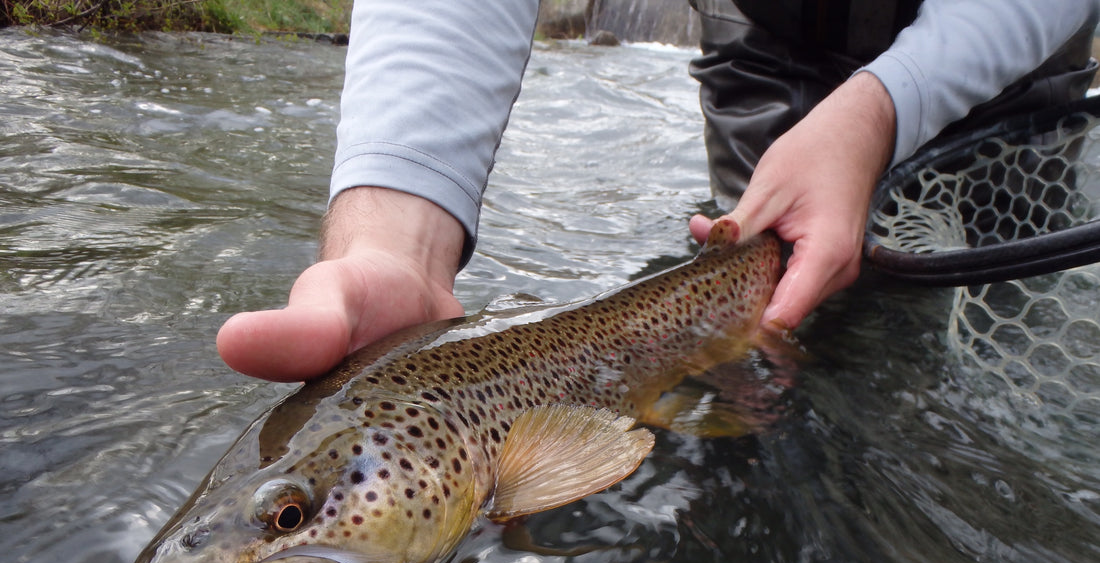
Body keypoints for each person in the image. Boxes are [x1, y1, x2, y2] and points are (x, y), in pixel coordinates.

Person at [216, 0, 1099, 383]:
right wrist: (392, 243)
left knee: (976, 361)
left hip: (1010, 56)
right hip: (774, 38)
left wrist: (882, 109)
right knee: (769, 351)